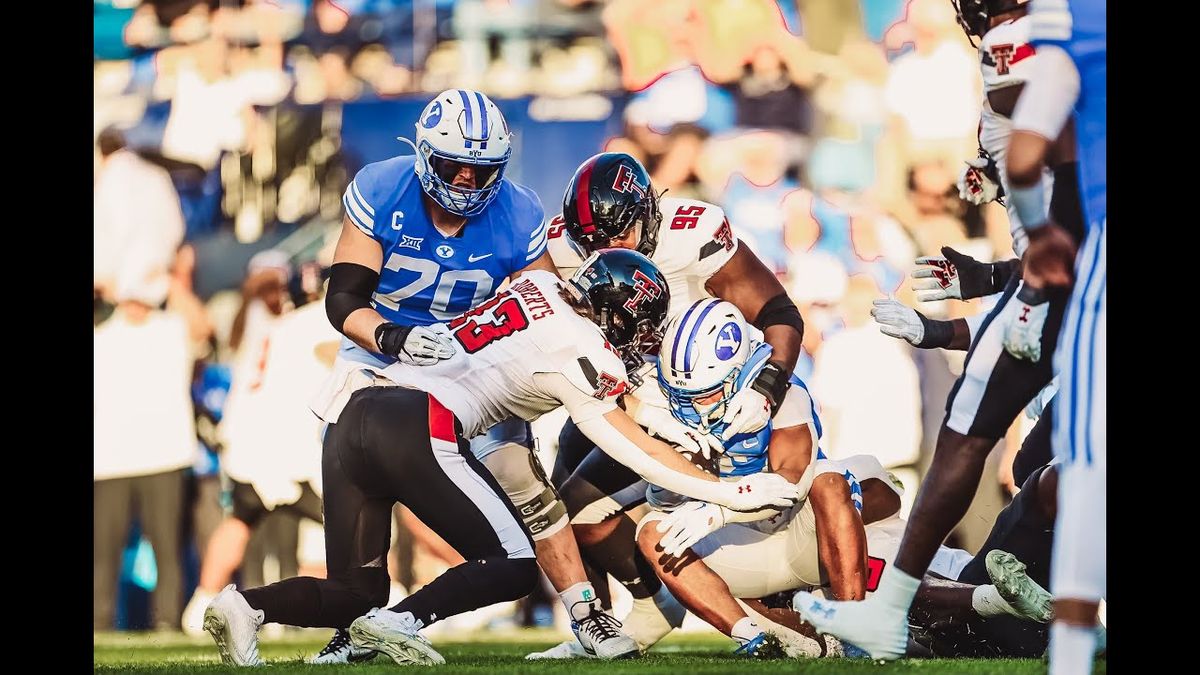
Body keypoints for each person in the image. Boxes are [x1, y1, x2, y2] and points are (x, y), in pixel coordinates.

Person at [202, 250, 801, 666]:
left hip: (353, 411)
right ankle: (400, 625)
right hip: (418, 421)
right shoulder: (582, 353)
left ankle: (244, 605)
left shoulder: (535, 288)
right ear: (620, 316)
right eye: (639, 325)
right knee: (514, 563)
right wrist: (730, 492)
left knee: (357, 592)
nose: (642, 339)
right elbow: (636, 449)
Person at [311, 87, 645, 661]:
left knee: (526, 485)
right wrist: (395, 336)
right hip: (383, 361)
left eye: (479, 169)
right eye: (453, 166)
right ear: (423, 155)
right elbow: (343, 298)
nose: (466, 180)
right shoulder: (383, 188)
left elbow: (539, 295)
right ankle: (357, 629)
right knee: (366, 506)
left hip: (476, 367)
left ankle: (587, 615)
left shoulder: (516, 212)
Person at [528, 152, 807, 658]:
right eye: (592, 242)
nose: (605, 249)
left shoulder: (693, 236)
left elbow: (779, 312)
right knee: (570, 505)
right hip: (634, 397)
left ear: (648, 212)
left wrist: (766, 389)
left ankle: (772, 613)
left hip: (715, 407)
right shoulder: (559, 247)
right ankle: (614, 623)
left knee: (759, 528)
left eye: (618, 235)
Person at [1003, 0, 1106, 671]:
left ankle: (1070, 657)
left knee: (1089, 470)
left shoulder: (1082, 17)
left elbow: (1023, 156)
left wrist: (1039, 232)